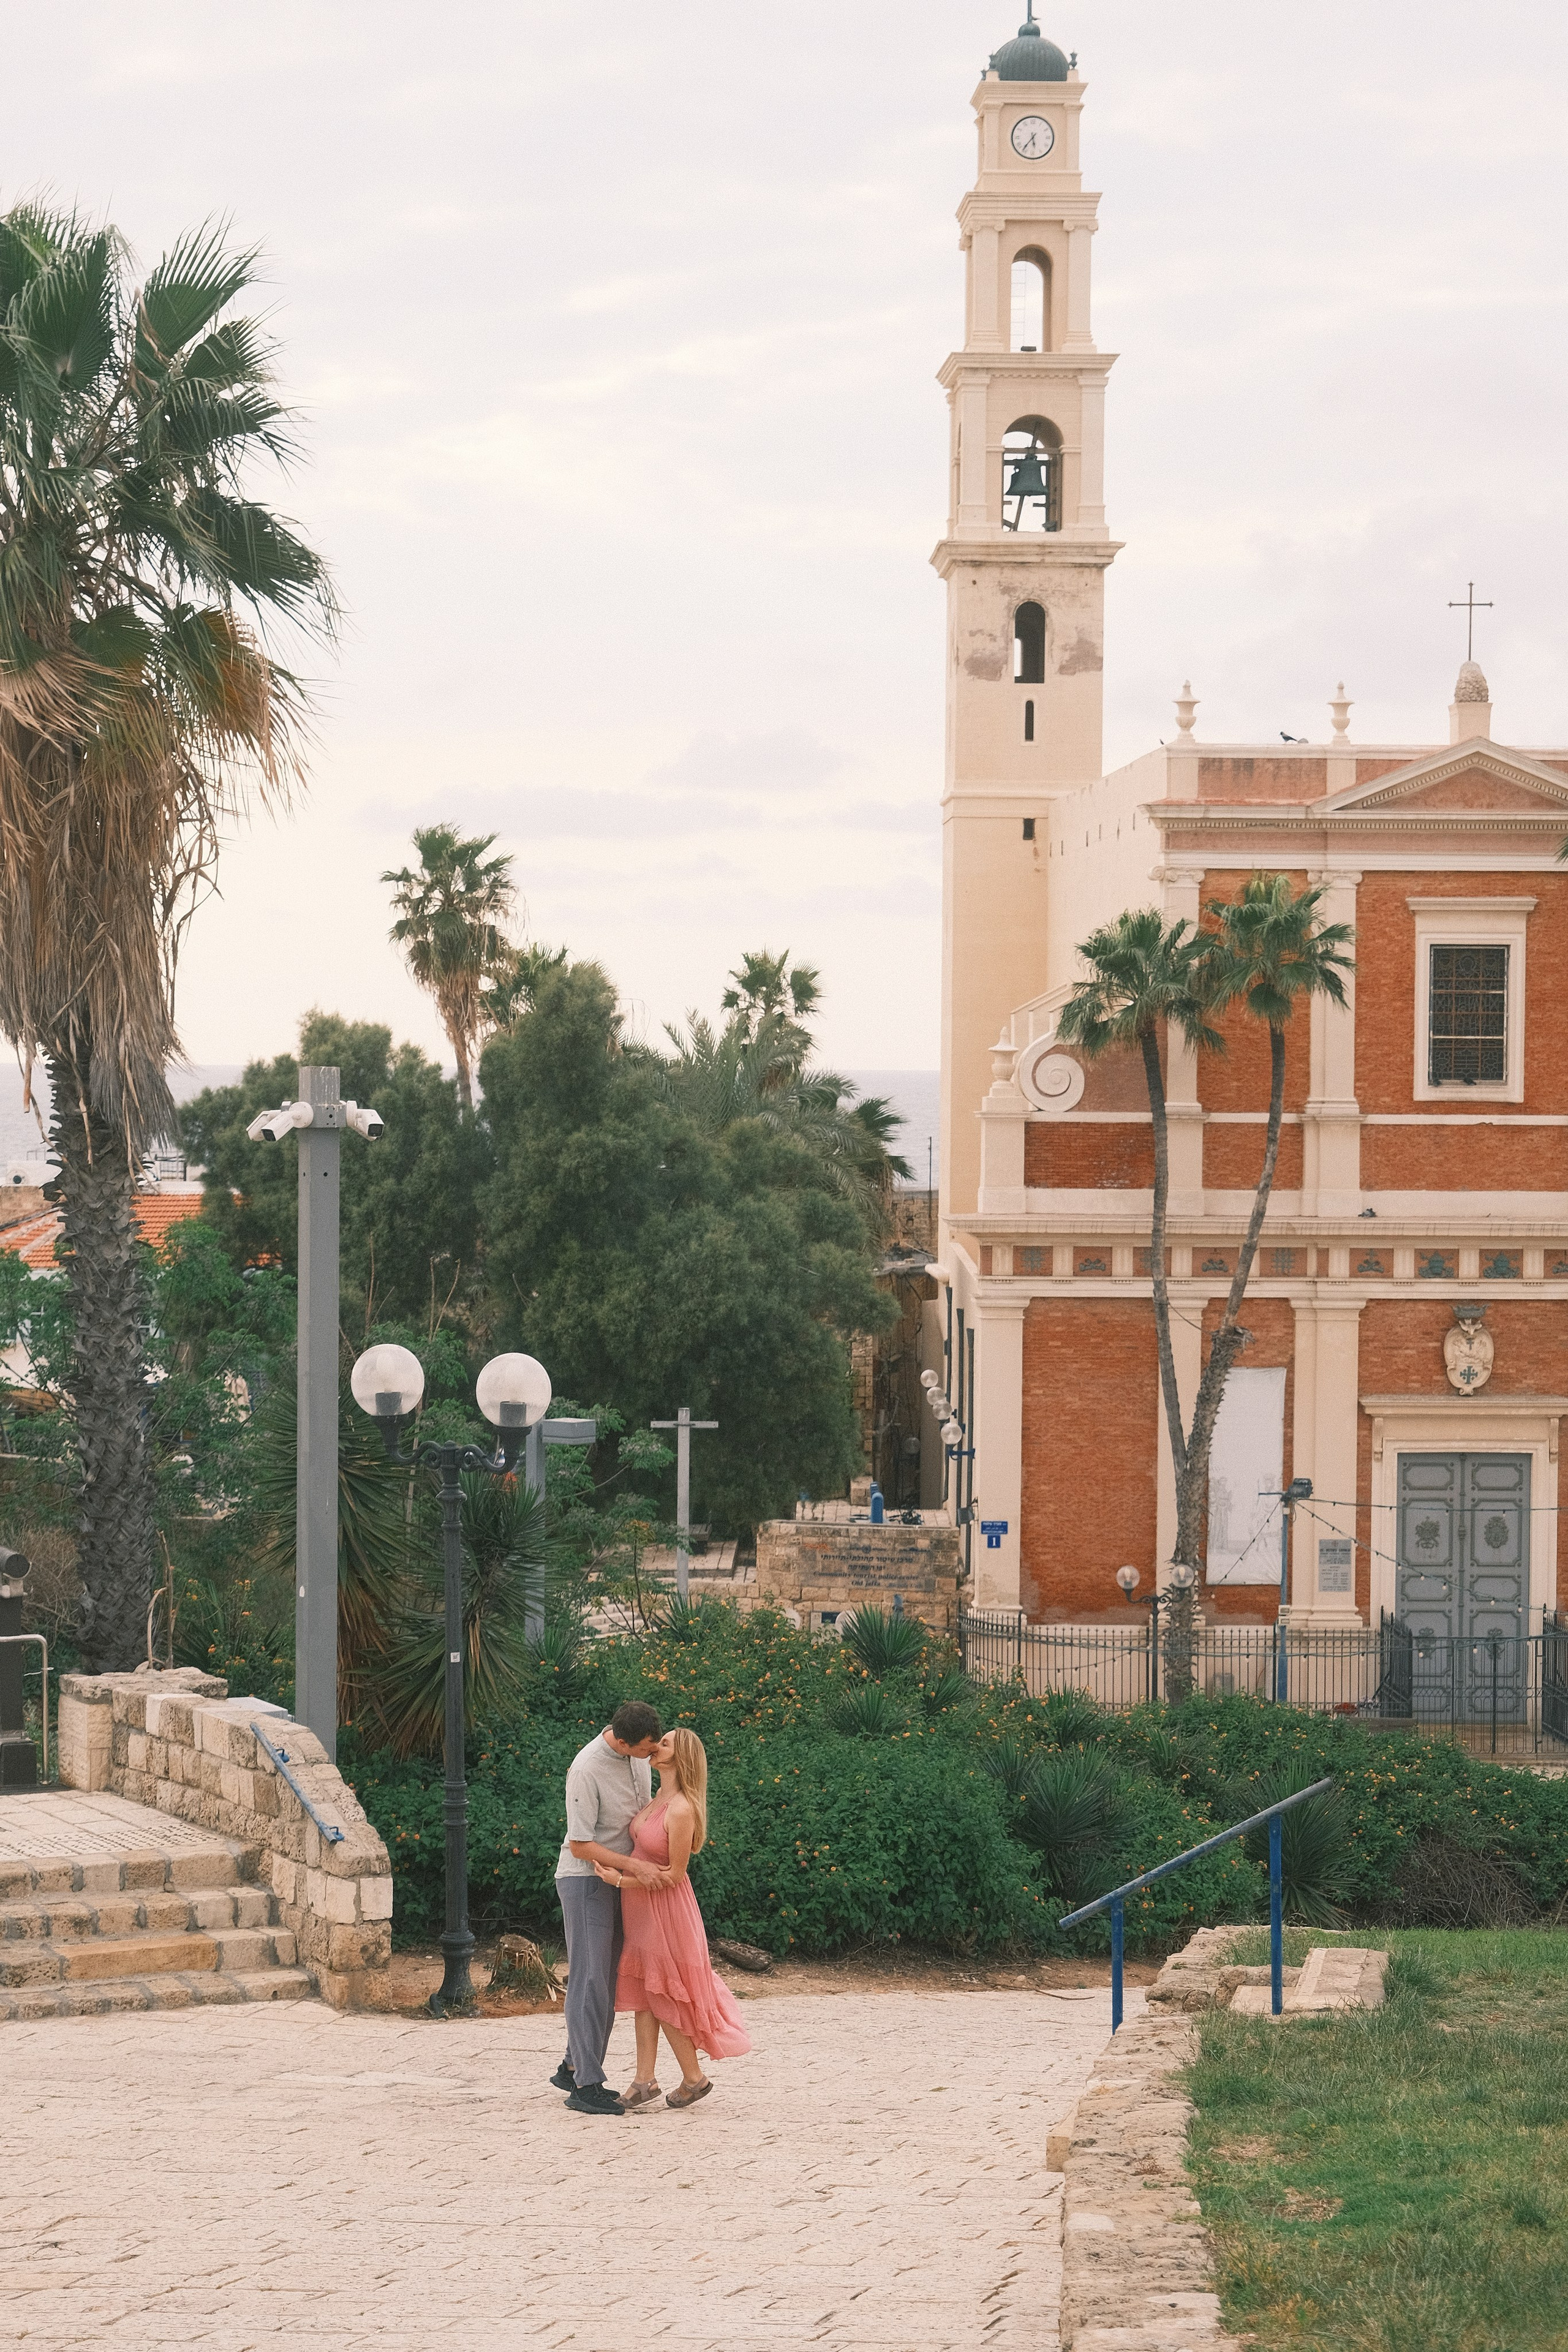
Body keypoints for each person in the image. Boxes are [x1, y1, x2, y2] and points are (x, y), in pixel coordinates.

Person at [594, 1725, 751, 2111]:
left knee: (662, 1993)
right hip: (642, 1911)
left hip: (665, 1911)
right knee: (646, 1994)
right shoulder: (655, 1798)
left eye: (664, 1743)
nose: (654, 1745)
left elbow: (674, 1875)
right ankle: (644, 2080)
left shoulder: (681, 1808)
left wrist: (619, 1880)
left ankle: (694, 2078)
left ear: (680, 1758)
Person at [553, 1699, 664, 2116]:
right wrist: (633, 1864)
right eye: (646, 1751)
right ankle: (586, 2086)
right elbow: (581, 1844)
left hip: (620, 1881)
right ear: (621, 1741)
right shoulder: (586, 1769)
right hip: (585, 1882)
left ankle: (572, 2064)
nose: (651, 1757)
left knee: (609, 1980)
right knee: (590, 1979)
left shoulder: (636, 1755)